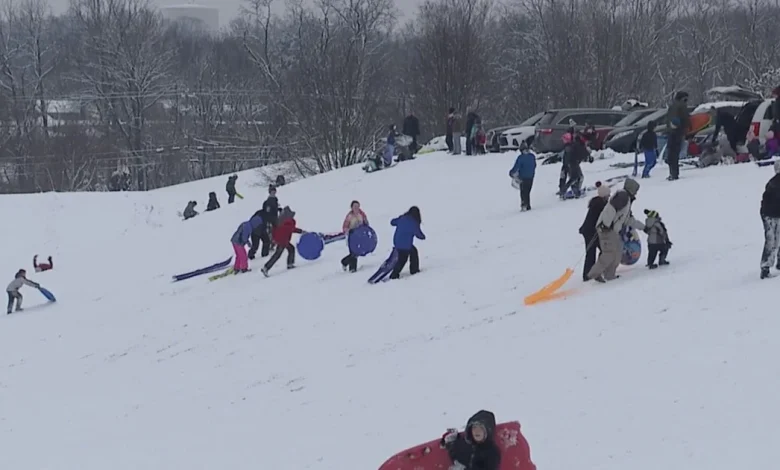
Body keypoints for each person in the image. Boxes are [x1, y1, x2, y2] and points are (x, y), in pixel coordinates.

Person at [587, 178, 645, 283]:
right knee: (609, 253)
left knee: (618, 253)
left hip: (614, 230)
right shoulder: (622, 197)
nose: (636, 193)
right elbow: (610, 210)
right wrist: (605, 225)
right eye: (635, 190)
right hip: (606, 229)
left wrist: (643, 227)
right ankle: (594, 273)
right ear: (631, 188)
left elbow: (627, 219)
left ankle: (610, 275)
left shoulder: (627, 199)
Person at [579, 182, 611, 281]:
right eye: (608, 195)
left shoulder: (596, 202)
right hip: (591, 232)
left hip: (589, 231)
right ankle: (592, 273)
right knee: (600, 251)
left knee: (593, 252)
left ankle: (589, 274)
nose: (609, 197)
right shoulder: (600, 205)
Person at [262, 206, 305, 276]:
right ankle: (266, 268)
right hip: (283, 241)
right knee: (278, 254)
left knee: (291, 249)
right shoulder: (288, 222)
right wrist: (301, 231)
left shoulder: (280, 221)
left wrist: (273, 239)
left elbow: (274, 230)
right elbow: (292, 229)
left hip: (280, 240)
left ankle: (289, 264)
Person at [388, 206, 425, 279]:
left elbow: (392, 222)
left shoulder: (402, 218)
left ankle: (414, 269)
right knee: (402, 260)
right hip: (405, 246)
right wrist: (423, 237)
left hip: (397, 242)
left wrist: (399, 219)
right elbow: (419, 235)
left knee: (413, 251)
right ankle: (394, 275)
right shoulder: (414, 223)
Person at [760, 160, 780, 279]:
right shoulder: (775, 183)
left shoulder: (773, 182)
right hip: (770, 214)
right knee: (771, 240)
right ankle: (765, 268)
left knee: (776, 238)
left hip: (773, 213)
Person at [665, 91, 690, 181]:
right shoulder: (682, 106)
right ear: (683, 98)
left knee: (671, 153)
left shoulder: (672, 106)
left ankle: (671, 173)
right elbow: (686, 119)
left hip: (670, 132)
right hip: (678, 132)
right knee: (675, 153)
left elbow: (667, 119)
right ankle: (674, 174)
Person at [341, 200, 369, 273]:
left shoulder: (362, 214)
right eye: (355, 206)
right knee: (353, 252)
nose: (356, 208)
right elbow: (344, 227)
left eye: (357, 206)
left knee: (356, 252)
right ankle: (352, 268)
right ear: (352, 207)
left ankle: (345, 262)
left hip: (360, 236)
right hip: (352, 237)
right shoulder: (349, 216)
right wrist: (349, 230)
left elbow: (366, 223)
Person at [509, 142, 536, 211]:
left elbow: (516, 167)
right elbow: (534, 165)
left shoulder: (521, 158)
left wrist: (511, 173)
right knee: (528, 191)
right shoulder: (532, 156)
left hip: (523, 177)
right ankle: (528, 205)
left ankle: (524, 204)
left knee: (523, 192)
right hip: (531, 177)